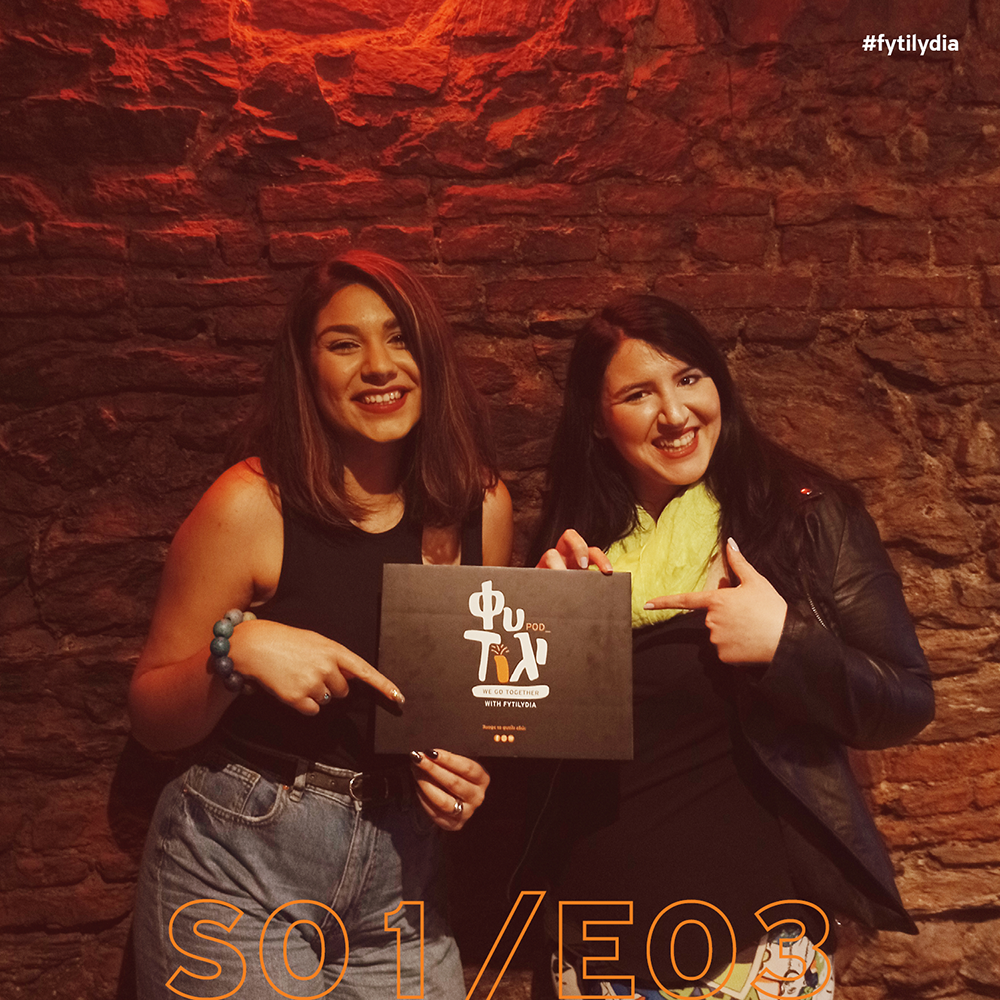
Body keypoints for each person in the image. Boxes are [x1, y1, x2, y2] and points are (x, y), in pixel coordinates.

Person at [128, 251, 513, 999]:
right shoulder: (252, 503)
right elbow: (150, 718)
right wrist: (234, 651)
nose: (379, 366)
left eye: (399, 338)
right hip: (239, 864)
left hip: (404, 881)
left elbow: (466, 702)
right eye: (344, 344)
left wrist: (466, 774)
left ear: (430, 356)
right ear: (307, 369)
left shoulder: (479, 507)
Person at [530, 295, 933, 999]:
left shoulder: (804, 517)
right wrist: (543, 629)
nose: (675, 413)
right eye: (638, 394)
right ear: (597, 418)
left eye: (689, 379)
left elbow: (905, 700)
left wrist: (785, 644)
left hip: (752, 955)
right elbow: (537, 756)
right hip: (593, 953)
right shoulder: (577, 542)